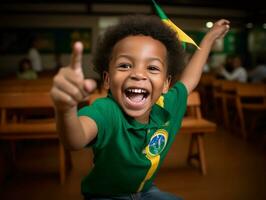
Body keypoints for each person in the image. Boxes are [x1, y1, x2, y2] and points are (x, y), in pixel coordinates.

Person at [50, 15, 229, 200]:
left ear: (166, 84)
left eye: (152, 68)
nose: (138, 74)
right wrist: (65, 109)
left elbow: (189, 79)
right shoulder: (106, 110)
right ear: (107, 79)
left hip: (145, 191)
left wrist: (210, 37)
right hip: (104, 196)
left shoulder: (168, 105)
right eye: (125, 65)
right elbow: (74, 139)